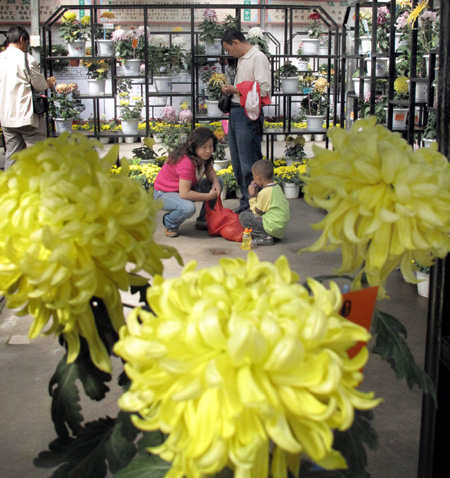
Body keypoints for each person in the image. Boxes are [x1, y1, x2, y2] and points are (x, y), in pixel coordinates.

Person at [221, 28, 271, 214]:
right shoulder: (242, 59)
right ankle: (246, 203)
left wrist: (236, 90)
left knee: (249, 164)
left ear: (235, 42)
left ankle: (257, 206)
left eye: (228, 49)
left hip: (247, 115)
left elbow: (264, 88)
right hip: (236, 113)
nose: (229, 53)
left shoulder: (258, 58)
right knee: (237, 164)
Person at [153, 127, 223, 238]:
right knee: (188, 208)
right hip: (163, 194)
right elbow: (184, 194)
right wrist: (208, 196)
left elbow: (209, 170)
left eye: (210, 146)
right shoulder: (186, 162)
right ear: (194, 147)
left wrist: (215, 182)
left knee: (218, 181)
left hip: (184, 189)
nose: (208, 150)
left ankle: (203, 220)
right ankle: (170, 223)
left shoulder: (203, 156)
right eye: (204, 147)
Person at [0, 26, 48, 170]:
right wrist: (48, 83)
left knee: (12, 156)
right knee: (37, 155)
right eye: (26, 43)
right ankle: (39, 187)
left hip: (6, 117)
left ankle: (9, 188)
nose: (26, 47)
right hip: (26, 116)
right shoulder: (26, 59)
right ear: (22, 40)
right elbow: (40, 86)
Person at [239, 159, 290, 246]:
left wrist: (252, 196)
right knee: (249, 212)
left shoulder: (265, 192)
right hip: (279, 227)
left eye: (254, 176)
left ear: (258, 178)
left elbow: (257, 211)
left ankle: (265, 237)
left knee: (244, 216)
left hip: (273, 226)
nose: (253, 179)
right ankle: (270, 235)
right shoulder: (276, 187)